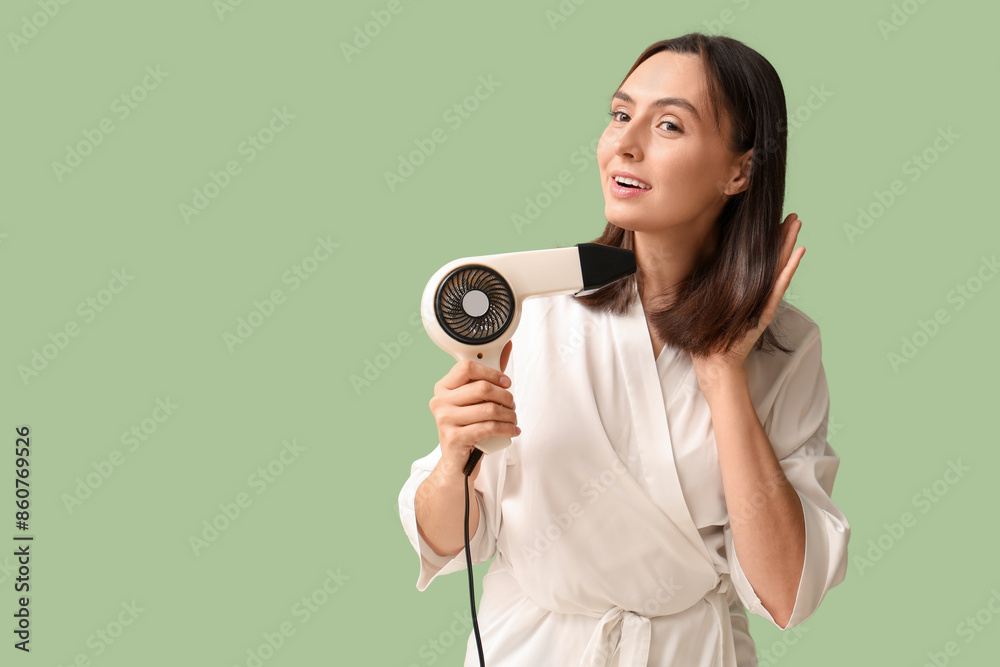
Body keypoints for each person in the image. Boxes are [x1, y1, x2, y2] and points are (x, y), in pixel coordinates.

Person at [398, 32, 850, 666]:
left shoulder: (785, 347)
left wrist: (723, 376)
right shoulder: (530, 309)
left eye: (668, 124)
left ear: (739, 170)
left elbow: (783, 595)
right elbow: (450, 545)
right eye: (619, 114)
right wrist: (454, 459)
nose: (625, 144)